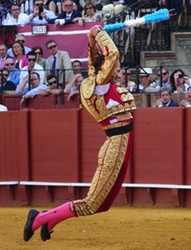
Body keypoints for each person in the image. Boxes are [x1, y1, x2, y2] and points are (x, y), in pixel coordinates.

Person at [23, 25, 136, 242]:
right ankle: (38, 218)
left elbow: (95, 64)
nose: (117, 67)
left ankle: (50, 221)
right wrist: (97, 32)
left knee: (102, 205)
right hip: (115, 145)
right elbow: (113, 53)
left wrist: (91, 42)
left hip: (120, 143)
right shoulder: (101, 85)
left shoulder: (98, 83)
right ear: (105, 66)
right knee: (93, 203)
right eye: (115, 66)